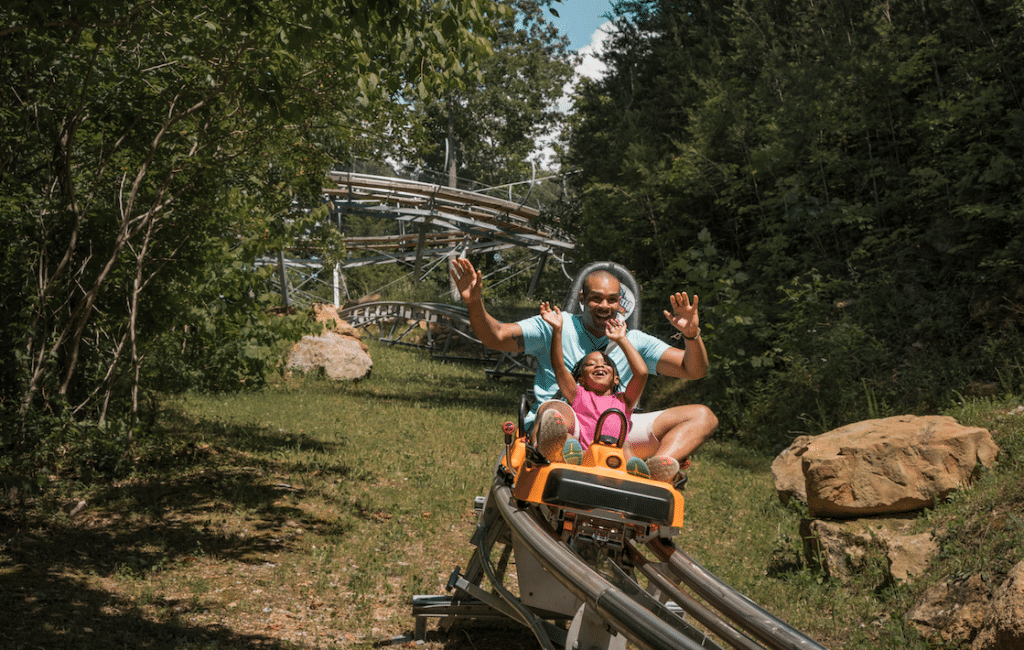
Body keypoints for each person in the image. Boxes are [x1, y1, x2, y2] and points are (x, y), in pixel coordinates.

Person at [449, 257, 718, 482]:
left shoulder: (633, 340)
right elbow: (496, 335)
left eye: (612, 300)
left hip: (615, 427)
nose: (604, 306)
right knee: (555, 412)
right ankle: (560, 453)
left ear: (620, 303)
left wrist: (692, 336)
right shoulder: (556, 325)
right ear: (581, 298)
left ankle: (657, 472)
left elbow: (693, 370)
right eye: (596, 299)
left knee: (703, 416)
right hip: (570, 422)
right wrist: (474, 303)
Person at [538, 301, 674, 480]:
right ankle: (567, 455)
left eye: (606, 364)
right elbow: (559, 368)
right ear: (581, 380)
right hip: (585, 457)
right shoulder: (578, 395)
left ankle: (642, 473)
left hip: (615, 462)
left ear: (616, 378)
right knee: (569, 437)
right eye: (591, 364)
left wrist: (622, 339)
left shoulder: (624, 401)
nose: (599, 366)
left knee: (625, 444)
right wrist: (557, 331)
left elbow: (641, 373)